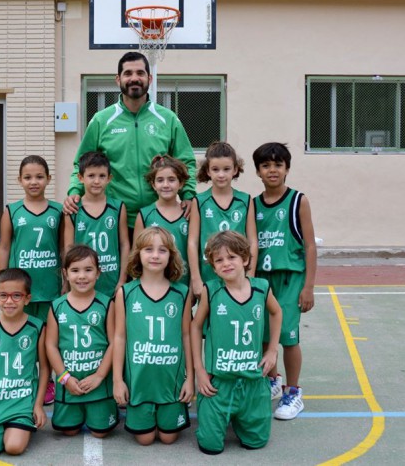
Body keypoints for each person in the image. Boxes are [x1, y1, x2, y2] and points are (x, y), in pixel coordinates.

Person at [64, 51, 197, 237]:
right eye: (128, 73)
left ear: (150, 78)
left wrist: (188, 195)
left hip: (158, 215)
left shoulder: (168, 119)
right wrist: (74, 191)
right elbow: (81, 162)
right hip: (114, 216)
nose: (134, 78)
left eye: (140, 73)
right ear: (118, 79)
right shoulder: (101, 120)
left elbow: (186, 161)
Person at [190, 231, 282, 455]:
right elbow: (195, 326)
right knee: (211, 445)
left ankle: (242, 419)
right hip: (219, 383)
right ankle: (217, 416)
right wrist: (199, 370)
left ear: (245, 259)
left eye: (232, 257)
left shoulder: (261, 287)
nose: (226, 263)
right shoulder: (211, 290)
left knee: (256, 442)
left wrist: (272, 350)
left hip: (253, 381)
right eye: (219, 260)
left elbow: (277, 312)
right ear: (213, 267)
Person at [252, 142, 316, 420]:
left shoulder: (298, 200)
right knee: (263, 335)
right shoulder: (252, 205)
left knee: (288, 336)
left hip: (290, 279)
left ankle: (293, 391)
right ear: (257, 171)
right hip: (262, 279)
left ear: (287, 168)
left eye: (278, 165)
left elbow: (310, 246)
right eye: (266, 165)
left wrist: (309, 286)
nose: (272, 170)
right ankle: (273, 380)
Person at [113, 227, 194, 445]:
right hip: (139, 384)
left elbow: (187, 336)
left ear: (171, 256)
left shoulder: (182, 293)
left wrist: (191, 379)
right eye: (148, 249)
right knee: (145, 439)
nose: (155, 255)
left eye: (162, 250)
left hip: (170, 384)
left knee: (168, 438)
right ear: (138, 254)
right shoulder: (125, 292)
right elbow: (119, 337)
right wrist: (118, 380)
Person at [0, 155, 63, 405]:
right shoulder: (12, 211)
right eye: (28, 177)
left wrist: (65, 281)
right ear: (19, 180)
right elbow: (5, 247)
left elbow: (63, 248)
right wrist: (2, 281)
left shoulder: (58, 211)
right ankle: (23, 378)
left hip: (49, 287)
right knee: (20, 334)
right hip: (19, 289)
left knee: (47, 338)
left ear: (48, 178)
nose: (33, 182)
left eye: (39, 177)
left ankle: (48, 381)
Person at [0, 268, 48, 457]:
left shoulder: (36, 327)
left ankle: (19, 426)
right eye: (3, 295)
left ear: (27, 298)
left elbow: (45, 368)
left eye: (16, 295)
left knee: (14, 447)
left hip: (22, 402)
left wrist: (38, 405)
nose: (9, 301)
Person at [45, 245, 118, 438]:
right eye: (75, 270)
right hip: (70, 382)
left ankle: (100, 404)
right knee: (69, 431)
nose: (82, 276)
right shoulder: (57, 306)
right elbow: (50, 345)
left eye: (88, 270)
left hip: (98, 383)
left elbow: (114, 343)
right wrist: (65, 378)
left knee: (100, 433)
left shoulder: (106, 304)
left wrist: (99, 376)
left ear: (98, 273)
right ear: (65, 273)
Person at [187, 141, 258, 300]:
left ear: (235, 169)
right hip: (208, 273)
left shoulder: (245, 201)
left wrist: (250, 274)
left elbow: (253, 241)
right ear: (208, 171)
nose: (221, 174)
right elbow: (192, 242)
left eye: (226, 169)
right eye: (215, 169)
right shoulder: (199, 201)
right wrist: (196, 279)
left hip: (238, 274)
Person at [63, 151, 129, 298]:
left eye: (102, 176)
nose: (97, 181)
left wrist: (122, 280)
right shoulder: (73, 210)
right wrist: (66, 283)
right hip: (82, 281)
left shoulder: (118, 207)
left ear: (109, 178)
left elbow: (124, 244)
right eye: (91, 176)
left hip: (111, 282)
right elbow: (68, 248)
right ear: (81, 178)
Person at [134, 155, 191, 285]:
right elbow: (136, 254)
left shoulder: (189, 213)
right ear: (153, 184)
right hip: (152, 285)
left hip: (184, 284)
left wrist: (193, 286)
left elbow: (195, 252)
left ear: (181, 183)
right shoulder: (144, 215)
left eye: (171, 180)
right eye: (160, 180)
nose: (165, 185)